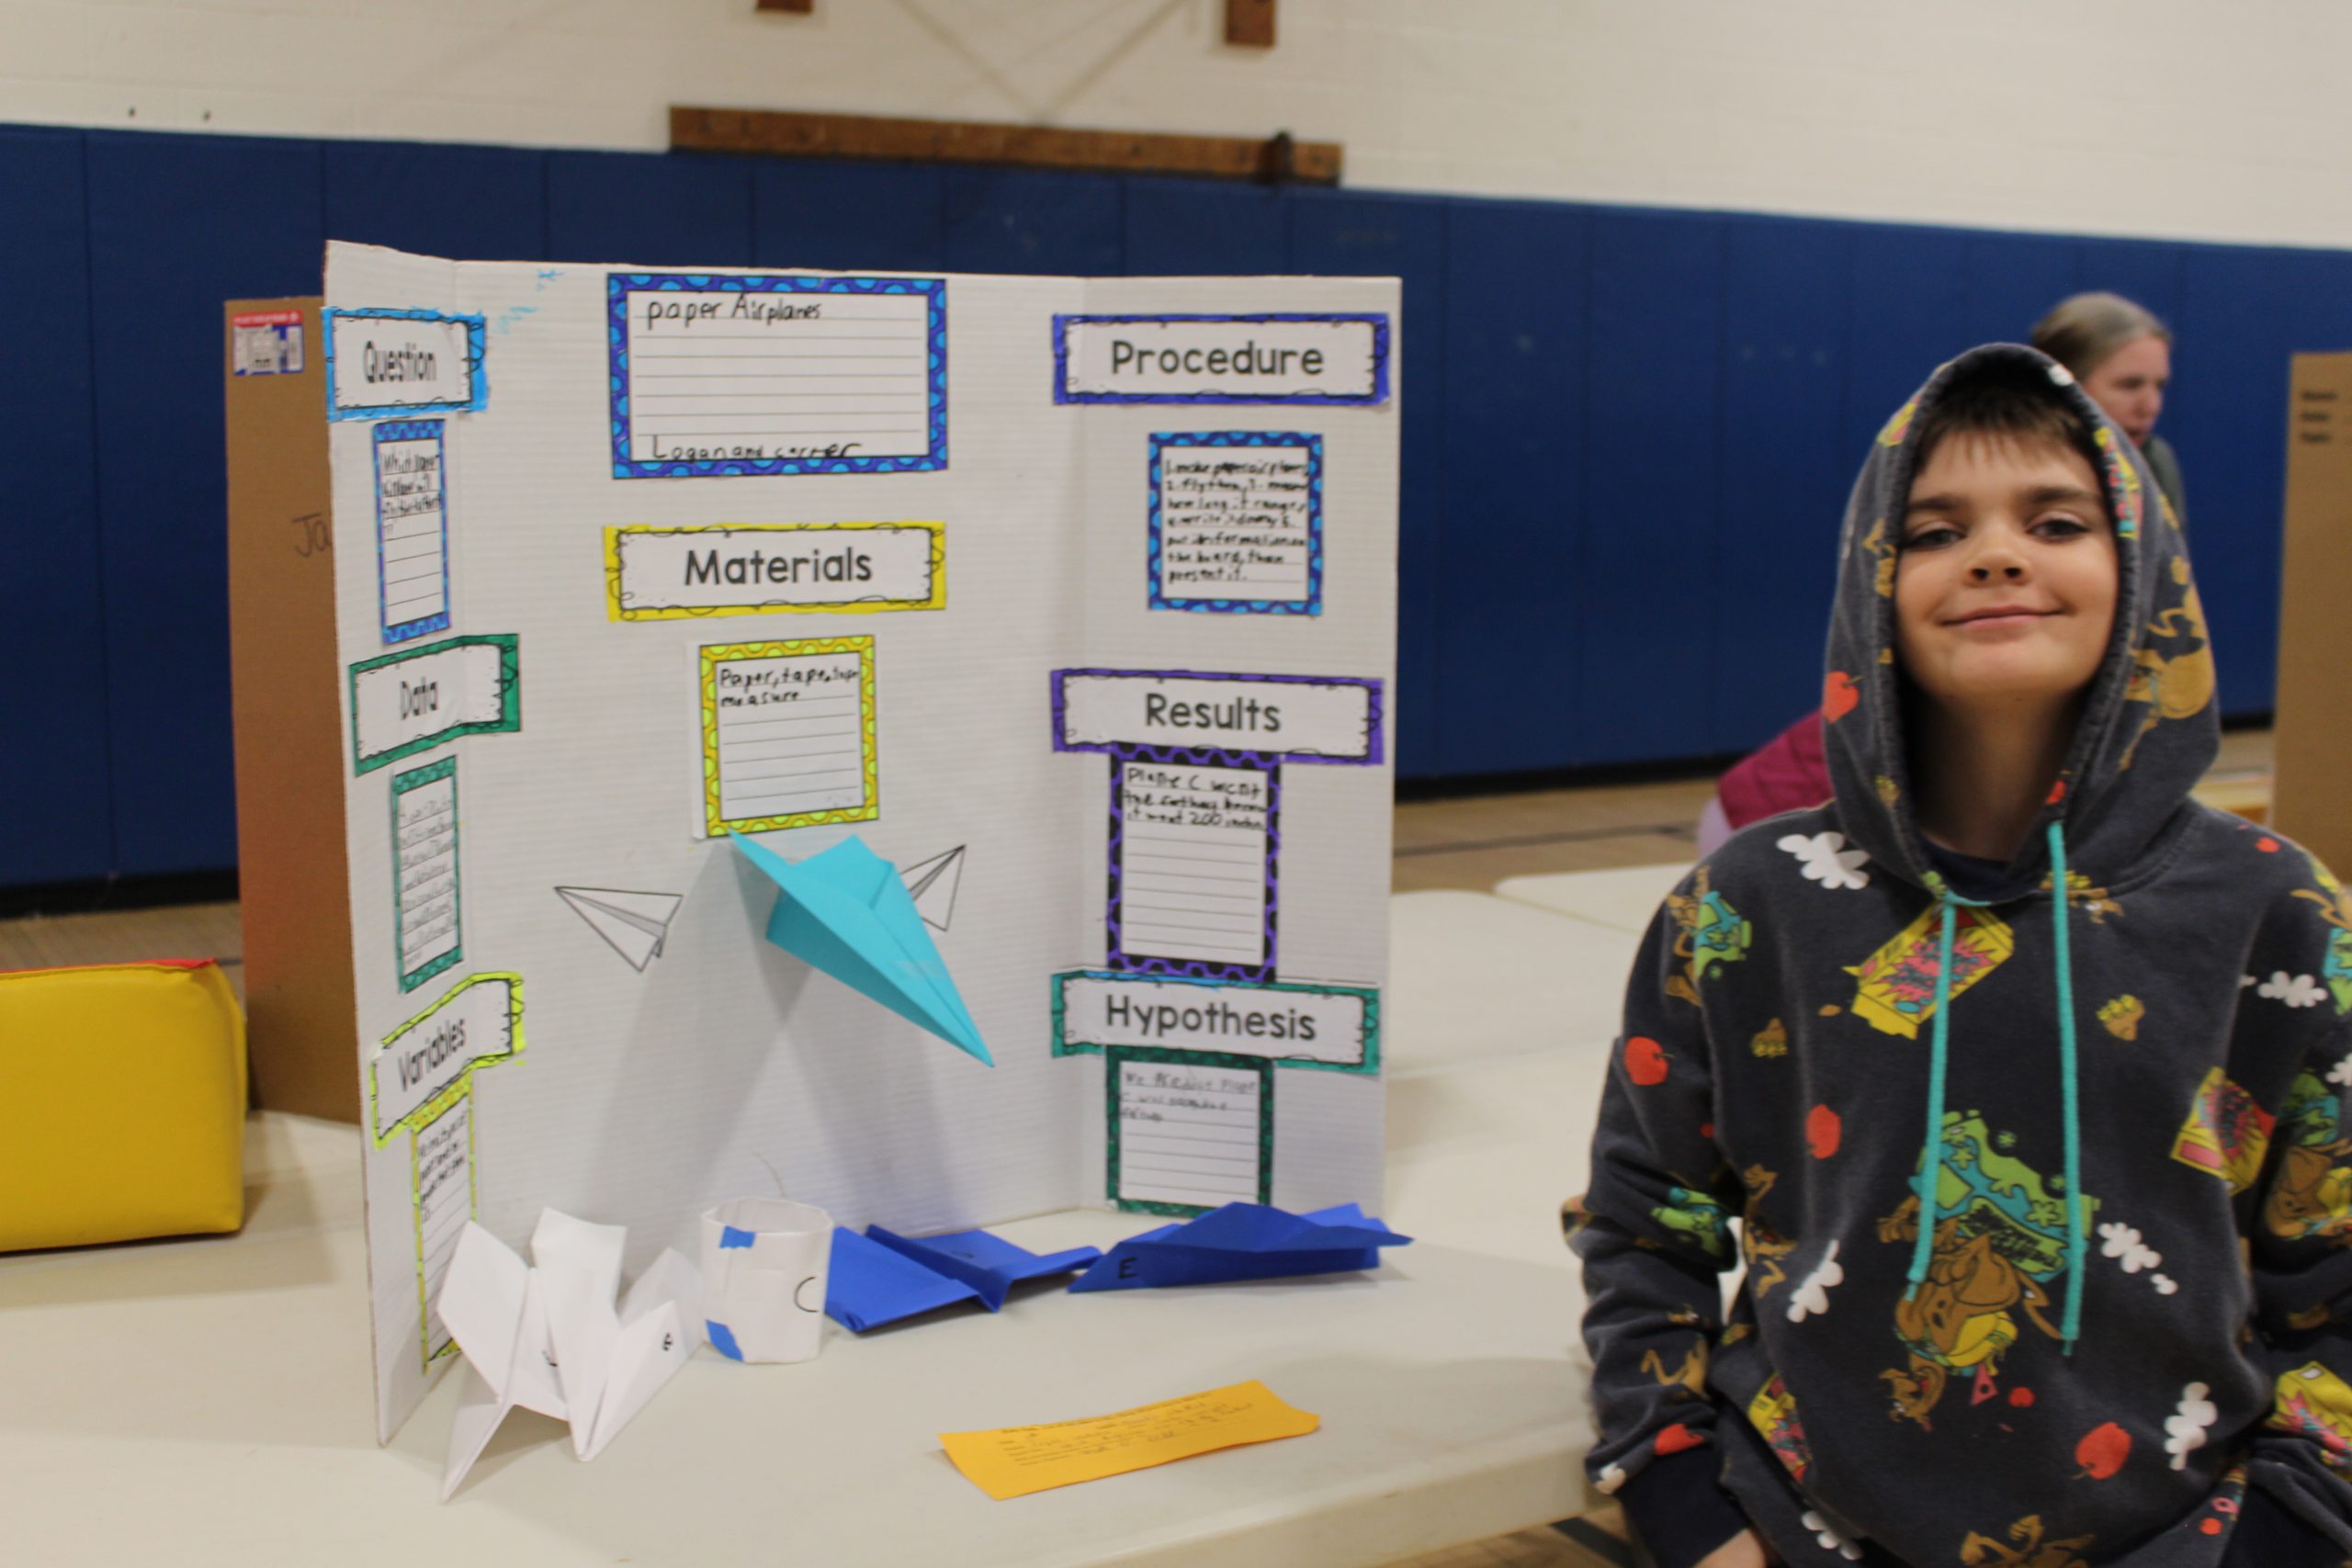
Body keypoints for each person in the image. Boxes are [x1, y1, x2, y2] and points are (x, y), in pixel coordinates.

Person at [1574, 344, 2352, 1566]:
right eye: (1935, 531)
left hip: (2178, 1535)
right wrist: (1677, 1493)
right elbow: (1642, 1225)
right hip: (1799, 1525)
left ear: (2141, 567)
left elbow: (2339, 1281)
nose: (1995, 553)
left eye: (2054, 519)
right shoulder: (1746, 903)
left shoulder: (2276, 909)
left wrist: (2283, 1532)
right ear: (1871, 586)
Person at [2032, 291, 2188, 530]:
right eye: (2130, 385)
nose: (2151, 407)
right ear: (2063, 386)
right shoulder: (2004, 464)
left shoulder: (2154, 461)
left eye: (2160, 386)